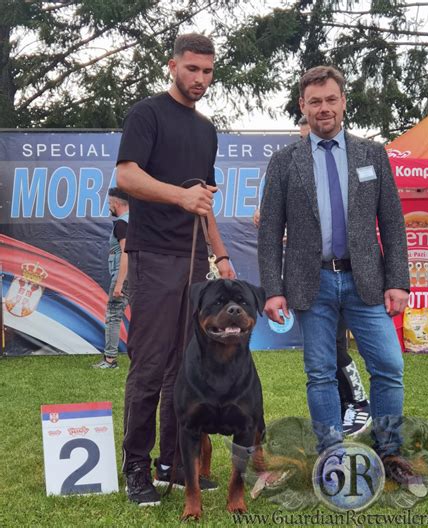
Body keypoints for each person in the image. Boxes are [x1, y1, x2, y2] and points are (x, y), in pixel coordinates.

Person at [258, 65, 409, 454]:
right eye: (314, 102)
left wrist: (398, 281)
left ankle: (389, 455)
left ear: (343, 102)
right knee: (320, 374)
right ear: (302, 107)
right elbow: (270, 230)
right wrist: (272, 290)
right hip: (312, 283)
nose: (323, 108)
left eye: (330, 100)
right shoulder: (284, 161)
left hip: (368, 282)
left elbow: (391, 222)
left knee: (389, 368)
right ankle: (332, 458)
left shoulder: (372, 154)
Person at [116, 33, 234, 506]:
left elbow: (203, 202)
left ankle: (174, 462)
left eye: (207, 71)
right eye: (192, 69)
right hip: (153, 258)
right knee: (149, 367)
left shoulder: (207, 130)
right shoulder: (146, 114)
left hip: (194, 267)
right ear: (173, 66)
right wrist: (178, 194)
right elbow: (126, 176)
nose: (200, 79)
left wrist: (221, 255)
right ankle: (137, 467)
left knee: (186, 369)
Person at [255, 114, 372, 436]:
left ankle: (357, 403)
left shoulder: (353, 160)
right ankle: (341, 416)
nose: (310, 140)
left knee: (340, 348)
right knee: (321, 359)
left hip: (347, 271)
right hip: (309, 274)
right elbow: (267, 215)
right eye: (304, 135)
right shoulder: (287, 164)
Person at [93, 187, 129, 369]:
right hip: (139, 277)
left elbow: (126, 253)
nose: (109, 206)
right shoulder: (136, 222)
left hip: (123, 277)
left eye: (109, 203)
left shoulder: (122, 224)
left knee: (113, 316)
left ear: (116, 203)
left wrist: (119, 283)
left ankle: (110, 359)